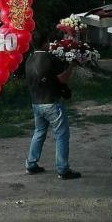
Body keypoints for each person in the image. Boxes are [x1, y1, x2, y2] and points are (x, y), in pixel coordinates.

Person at [25, 31, 81, 180]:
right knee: (61, 135)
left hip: (36, 102)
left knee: (39, 133)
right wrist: (71, 66)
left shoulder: (29, 60)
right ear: (46, 42)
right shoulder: (50, 58)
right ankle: (63, 169)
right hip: (52, 102)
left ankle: (31, 164)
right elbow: (62, 78)